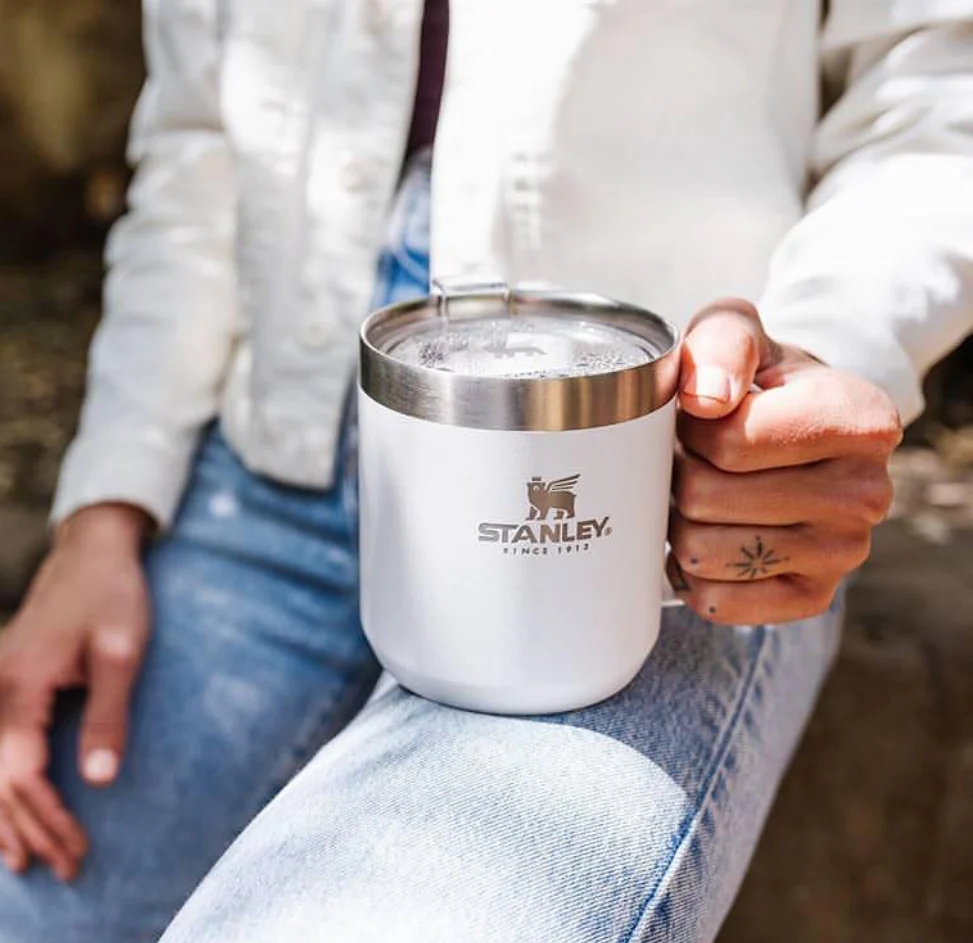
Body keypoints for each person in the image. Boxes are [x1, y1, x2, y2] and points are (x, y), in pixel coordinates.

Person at [1, 0, 972, 940]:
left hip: (658, 489)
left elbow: (936, 93)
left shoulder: (703, 483)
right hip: (264, 472)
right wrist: (104, 509)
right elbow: (197, 151)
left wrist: (808, 373)